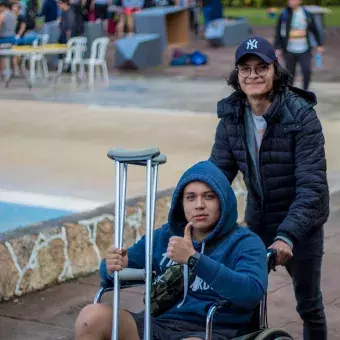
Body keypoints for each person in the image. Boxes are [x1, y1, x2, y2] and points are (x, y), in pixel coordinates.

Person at [209, 36, 329, 340]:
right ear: (237, 75)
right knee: (245, 299)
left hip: (301, 224)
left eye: (261, 67)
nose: (253, 75)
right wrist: (194, 212)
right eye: (245, 68)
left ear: (275, 69)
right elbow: (217, 175)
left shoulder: (301, 115)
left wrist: (287, 235)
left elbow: (312, 186)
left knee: (309, 304)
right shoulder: (232, 117)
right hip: (260, 219)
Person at [75, 161, 268, 340]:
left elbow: (251, 293)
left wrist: (194, 260)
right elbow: (111, 277)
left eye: (209, 196)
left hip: (213, 330)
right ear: (181, 204)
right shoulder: (165, 236)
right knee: (91, 317)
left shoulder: (245, 242)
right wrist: (111, 266)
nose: (199, 205)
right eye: (191, 198)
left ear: (223, 202)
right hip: (160, 324)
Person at [274, 0, 324, 90]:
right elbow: (278, 32)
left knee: (306, 70)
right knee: (290, 73)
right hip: (289, 49)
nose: (291, 1)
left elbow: (315, 30)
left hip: (304, 49)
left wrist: (320, 44)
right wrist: (277, 47)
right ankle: (290, 93)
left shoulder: (306, 14)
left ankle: (305, 91)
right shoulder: (284, 14)